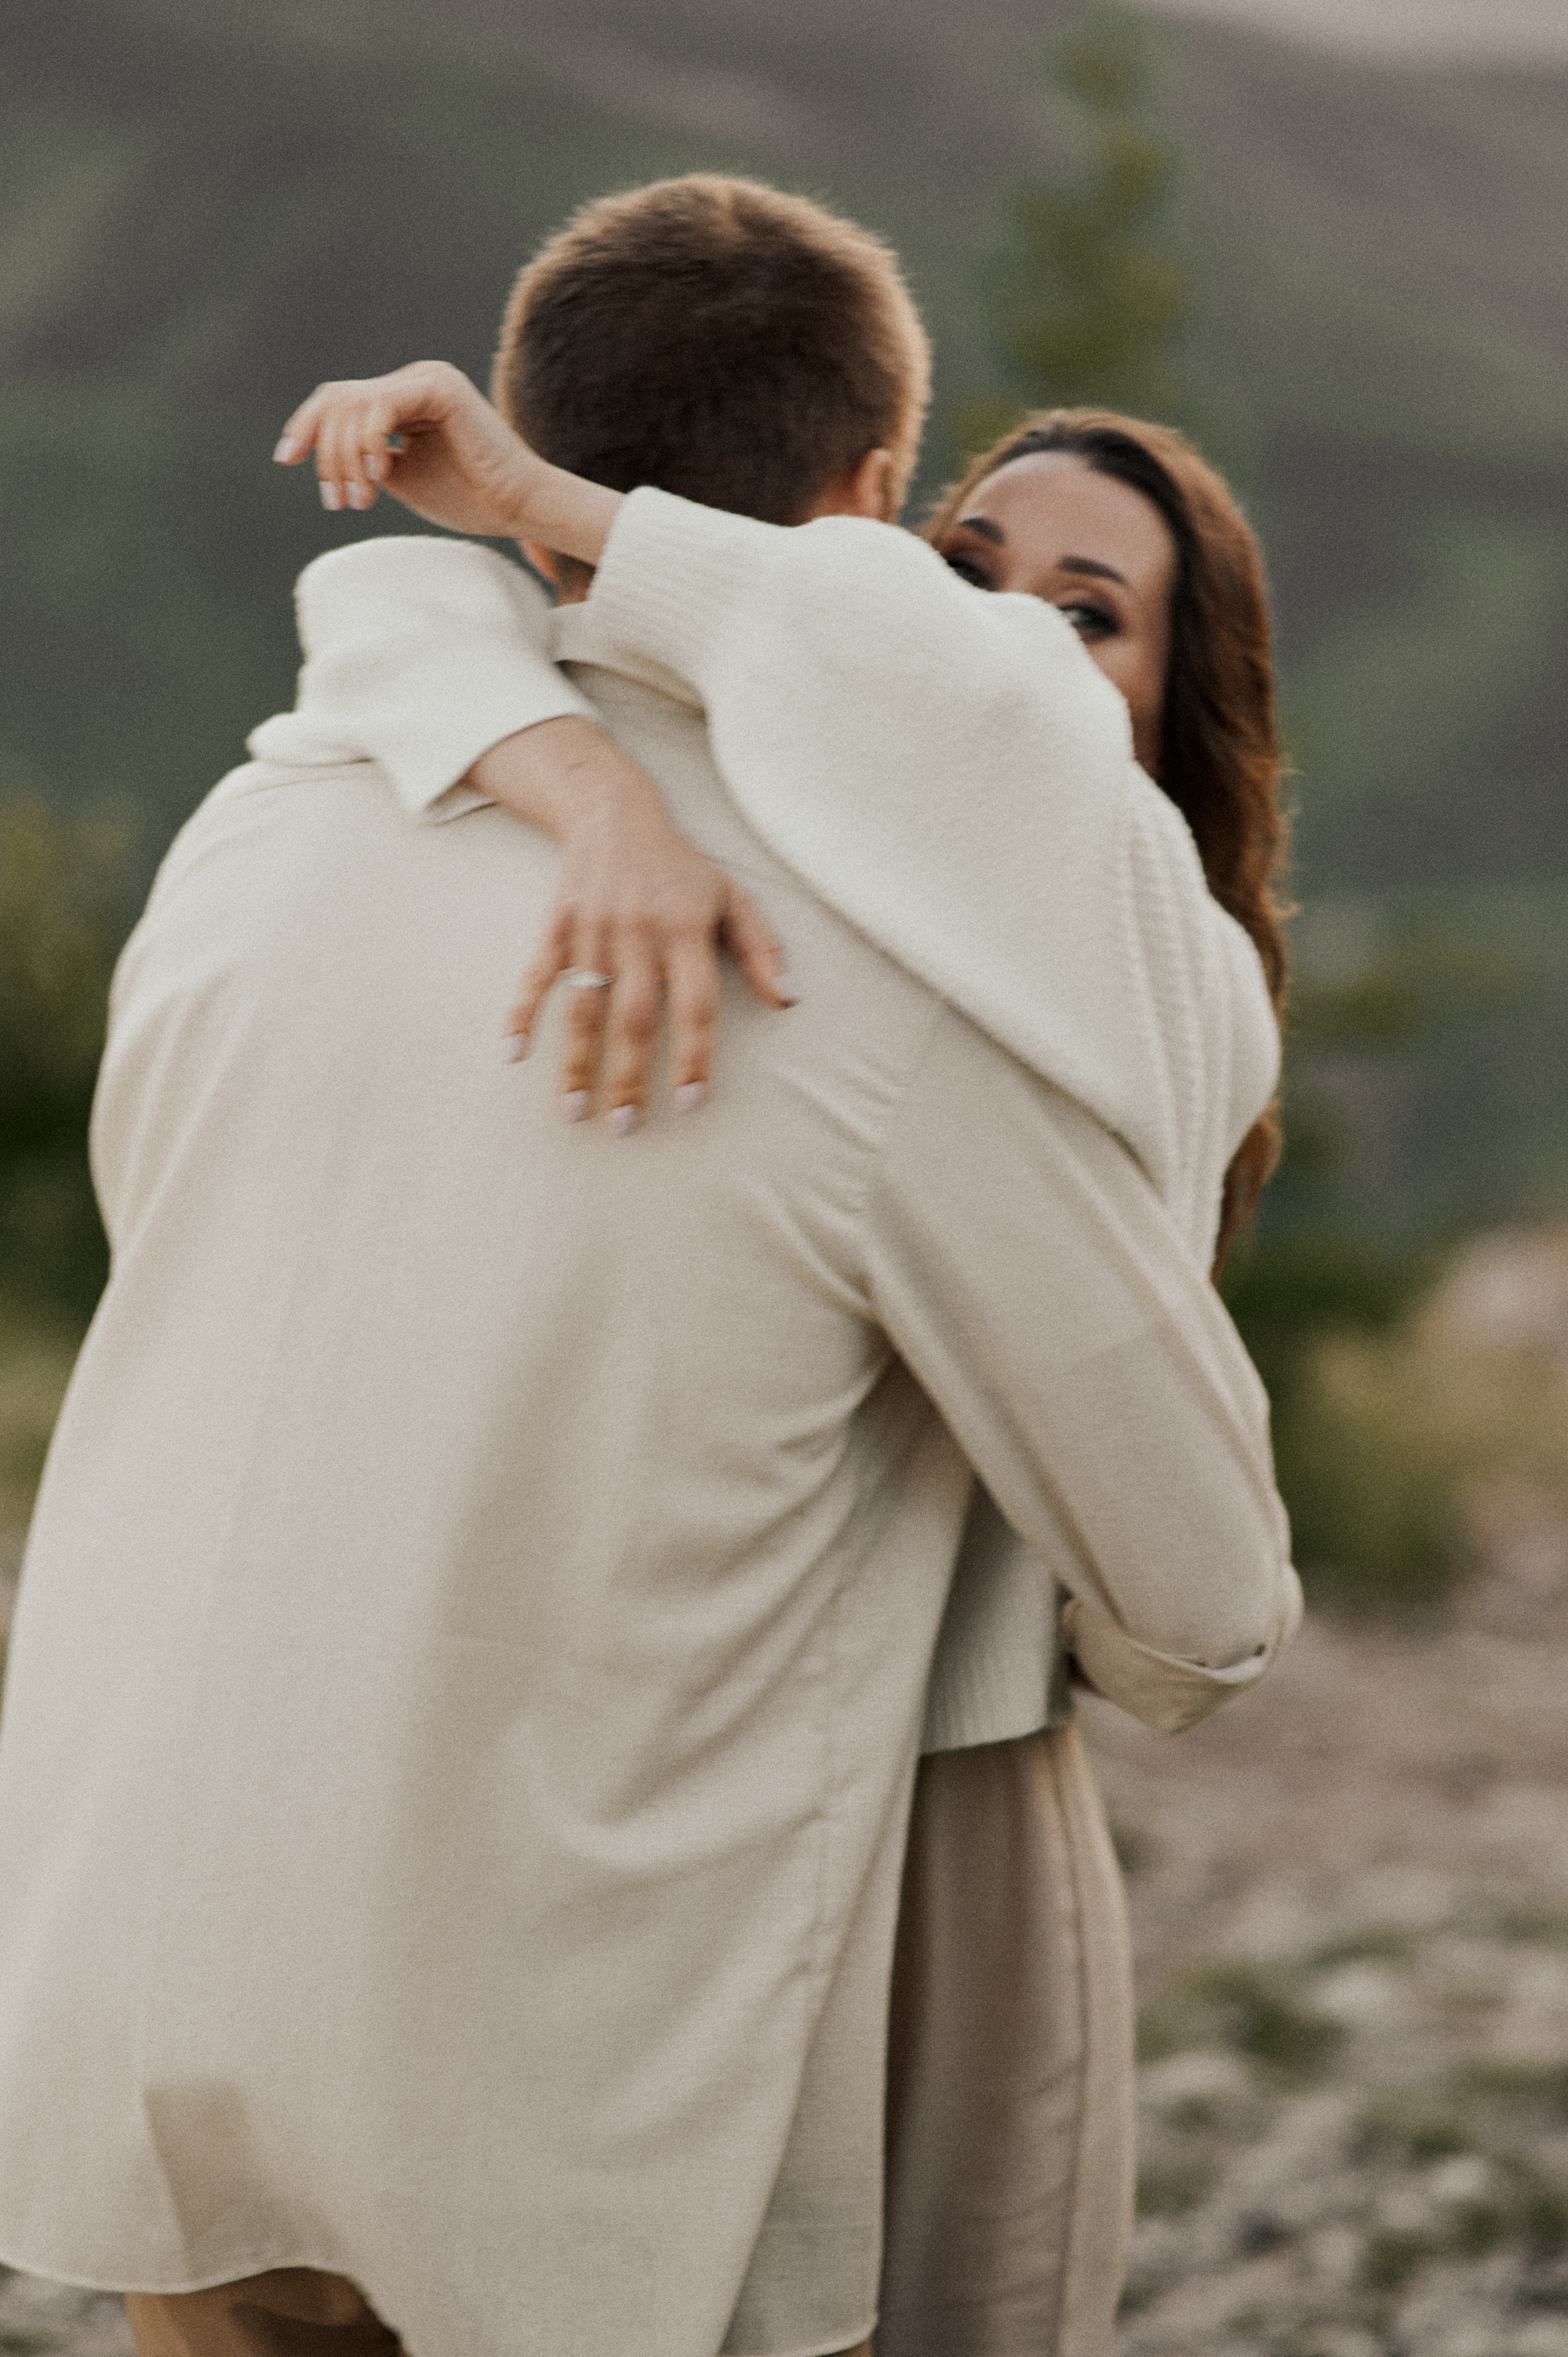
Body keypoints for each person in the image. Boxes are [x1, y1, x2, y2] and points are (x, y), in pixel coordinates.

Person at [0, 178, 1297, 2357]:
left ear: (539, 490)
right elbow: (1206, 1592)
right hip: (573, 2080)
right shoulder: (888, 987)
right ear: (878, 511)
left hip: (164, 1958)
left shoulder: (252, 833)